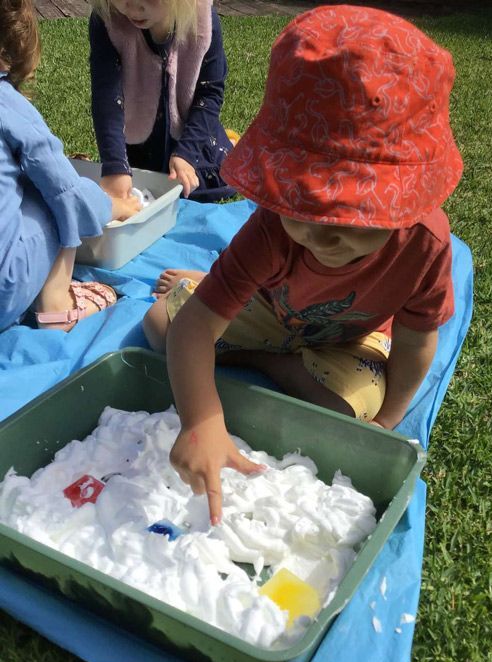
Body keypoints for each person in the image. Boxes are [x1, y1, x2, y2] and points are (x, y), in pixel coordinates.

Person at [143, 5, 464, 523]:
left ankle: (262, 353)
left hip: (349, 335)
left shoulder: (424, 244)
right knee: (161, 325)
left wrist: (388, 421)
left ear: (405, 201)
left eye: (356, 215)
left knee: (348, 412)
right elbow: (193, 329)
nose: (322, 235)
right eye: (304, 204)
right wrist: (201, 418)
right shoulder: (273, 227)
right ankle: (220, 288)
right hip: (272, 308)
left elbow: (417, 338)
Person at [0, 0, 140, 333]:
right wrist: (115, 204)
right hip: (5, 287)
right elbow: (66, 191)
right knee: (53, 193)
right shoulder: (9, 105)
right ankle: (57, 304)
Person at [89, 0, 235, 202]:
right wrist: (115, 165)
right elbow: (107, 98)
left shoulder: (204, 21)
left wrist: (186, 153)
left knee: (196, 189)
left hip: (193, 142)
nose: (133, 7)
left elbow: (209, 94)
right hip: (138, 149)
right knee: (140, 185)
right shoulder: (107, 20)